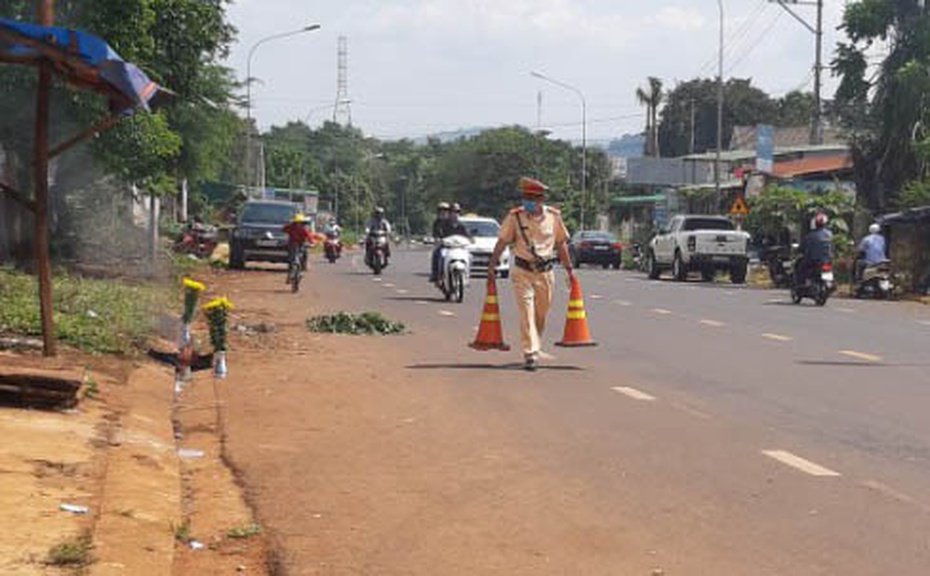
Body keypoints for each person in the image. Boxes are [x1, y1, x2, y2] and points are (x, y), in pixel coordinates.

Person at [488, 177, 574, 372]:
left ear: (541, 200)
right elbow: (502, 242)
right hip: (522, 271)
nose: (528, 201)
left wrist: (570, 270)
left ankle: (534, 343)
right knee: (526, 312)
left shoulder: (554, 217)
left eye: (533, 198)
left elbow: (561, 244)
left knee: (541, 314)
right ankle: (530, 353)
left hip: (546, 272)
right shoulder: (515, 217)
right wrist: (491, 265)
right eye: (526, 197)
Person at [797, 212, 833, 284]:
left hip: (812, 260)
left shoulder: (810, 236)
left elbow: (802, 247)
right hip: (827, 260)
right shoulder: (830, 234)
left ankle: (801, 283)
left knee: (800, 268)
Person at [282, 213, 315, 279]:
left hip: (301, 244)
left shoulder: (304, 229)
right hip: (292, 243)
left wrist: (312, 243)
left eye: (300, 222)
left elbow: (309, 237)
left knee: (304, 255)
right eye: (297, 222)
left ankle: (302, 269)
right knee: (291, 258)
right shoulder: (291, 227)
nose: (299, 224)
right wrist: (288, 226)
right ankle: (290, 272)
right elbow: (283, 229)